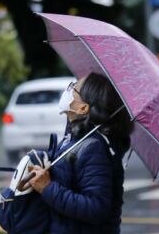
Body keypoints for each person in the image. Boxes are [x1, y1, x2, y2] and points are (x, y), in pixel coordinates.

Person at [28, 73, 134, 233]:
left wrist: (48, 188)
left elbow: (96, 208)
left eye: (73, 88)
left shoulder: (93, 147)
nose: (68, 90)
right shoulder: (75, 139)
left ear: (83, 108)